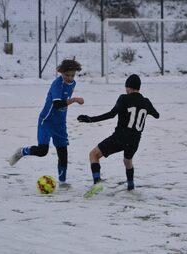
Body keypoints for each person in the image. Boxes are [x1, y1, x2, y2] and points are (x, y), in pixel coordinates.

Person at [8, 59, 84, 187]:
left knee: (63, 153)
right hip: (46, 121)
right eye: (67, 75)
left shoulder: (73, 83)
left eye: (72, 75)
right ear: (62, 73)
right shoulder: (57, 84)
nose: (70, 78)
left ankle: (63, 182)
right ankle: (22, 152)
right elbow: (57, 104)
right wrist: (74, 100)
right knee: (43, 151)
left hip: (60, 124)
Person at [77, 74, 159, 192]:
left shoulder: (124, 98)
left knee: (93, 155)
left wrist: (90, 119)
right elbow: (157, 115)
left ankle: (97, 183)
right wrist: (146, 109)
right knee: (127, 161)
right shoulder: (146, 102)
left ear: (128, 87)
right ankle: (130, 185)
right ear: (139, 88)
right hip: (135, 140)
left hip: (120, 137)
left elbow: (111, 114)